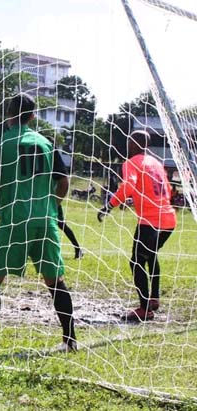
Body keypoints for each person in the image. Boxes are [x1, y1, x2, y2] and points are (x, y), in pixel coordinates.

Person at [0, 93, 77, 355]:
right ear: (32, 116)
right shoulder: (46, 143)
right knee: (55, 281)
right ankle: (70, 339)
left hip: (14, 220)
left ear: (8, 114)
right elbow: (63, 182)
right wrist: (52, 204)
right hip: (45, 221)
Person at [98, 130, 177, 322]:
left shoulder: (131, 162)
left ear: (133, 143)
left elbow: (128, 186)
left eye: (129, 140)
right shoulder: (156, 163)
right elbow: (167, 189)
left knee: (136, 262)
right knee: (151, 256)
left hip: (150, 222)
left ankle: (144, 309)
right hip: (169, 220)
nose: (128, 144)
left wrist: (109, 205)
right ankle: (154, 298)